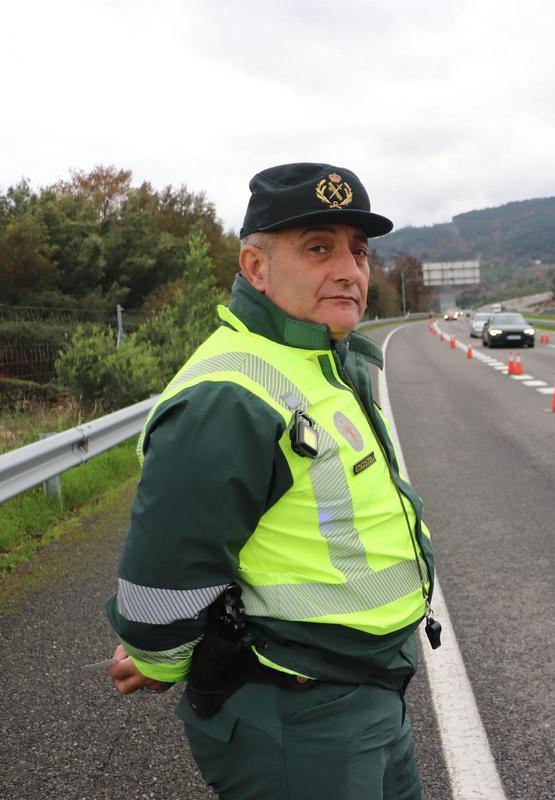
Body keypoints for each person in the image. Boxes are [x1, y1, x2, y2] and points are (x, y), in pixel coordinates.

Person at [104, 163, 436, 800]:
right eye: (319, 248)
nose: (350, 270)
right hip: (297, 712)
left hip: (367, 692)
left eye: (359, 251)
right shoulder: (229, 394)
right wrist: (155, 659)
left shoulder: (322, 359)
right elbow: (165, 574)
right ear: (255, 268)